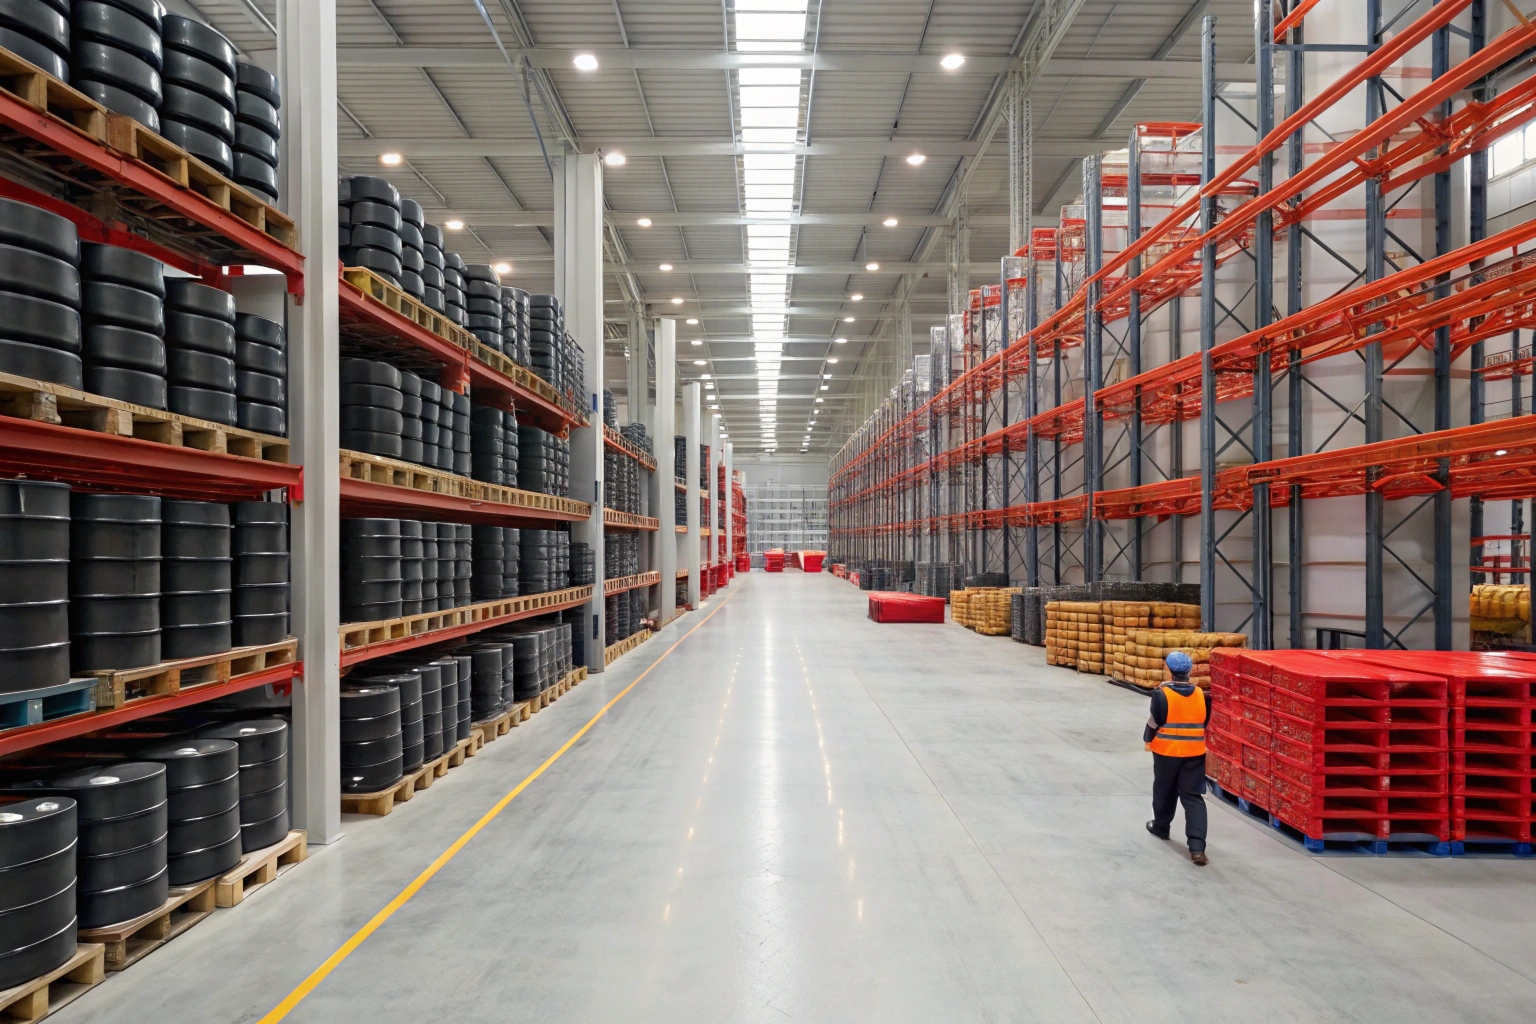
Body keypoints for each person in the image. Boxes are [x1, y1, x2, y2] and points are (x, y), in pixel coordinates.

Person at [1144, 650, 1210, 865]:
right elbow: (1204, 721)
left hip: (1166, 752)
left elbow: (1156, 720)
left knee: (1164, 790)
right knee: (1193, 797)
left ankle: (1161, 827)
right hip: (1195, 753)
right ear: (1189, 671)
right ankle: (1197, 848)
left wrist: (1147, 737)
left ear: (1169, 670)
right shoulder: (1201, 694)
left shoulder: (1161, 694)